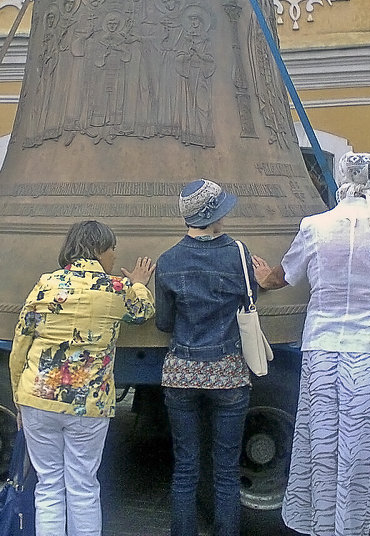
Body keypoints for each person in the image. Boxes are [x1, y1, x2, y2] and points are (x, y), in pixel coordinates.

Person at [252, 151, 370, 536]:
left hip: (324, 354)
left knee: (326, 448)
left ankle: (328, 525)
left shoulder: (314, 226)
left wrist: (265, 278)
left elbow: (282, 275)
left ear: (340, 179)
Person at [9, 220, 155, 536]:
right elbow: (144, 311)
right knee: (83, 486)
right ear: (100, 250)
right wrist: (140, 283)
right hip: (89, 405)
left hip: (37, 396)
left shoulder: (45, 285)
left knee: (48, 484)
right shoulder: (118, 289)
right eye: (113, 248)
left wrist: (18, 399)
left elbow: (20, 344)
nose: (115, 255)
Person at [155, 179, 254, 536]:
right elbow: (248, 302)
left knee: (186, 468)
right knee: (225, 471)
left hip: (181, 374)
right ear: (213, 215)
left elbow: (165, 323)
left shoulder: (167, 261)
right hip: (228, 373)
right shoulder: (239, 255)